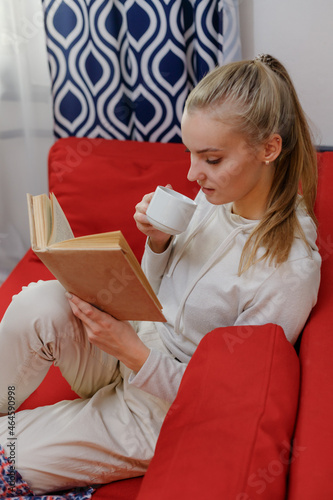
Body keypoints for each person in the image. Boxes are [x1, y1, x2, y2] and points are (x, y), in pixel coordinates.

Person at [0, 54, 321, 495]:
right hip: (129, 344)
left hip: (162, 407)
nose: (193, 174)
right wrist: (157, 243)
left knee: (7, 460)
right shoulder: (219, 195)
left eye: (210, 158)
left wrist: (132, 352)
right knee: (35, 304)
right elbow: (159, 288)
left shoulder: (289, 269)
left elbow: (226, 400)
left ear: (269, 149)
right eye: (191, 153)